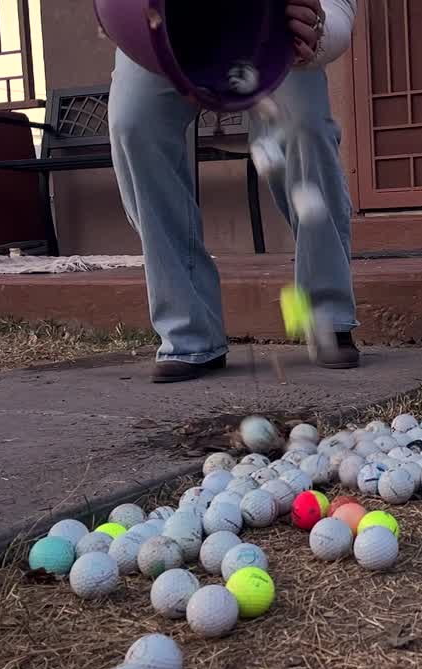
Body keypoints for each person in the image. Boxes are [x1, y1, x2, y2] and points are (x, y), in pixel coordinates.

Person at [108, 0, 360, 383]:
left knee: (305, 128)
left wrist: (317, 28)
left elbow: (339, 7)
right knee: (134, 123)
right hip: (164, 19)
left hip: (273, 22)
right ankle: (189, 331)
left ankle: (325, 314)